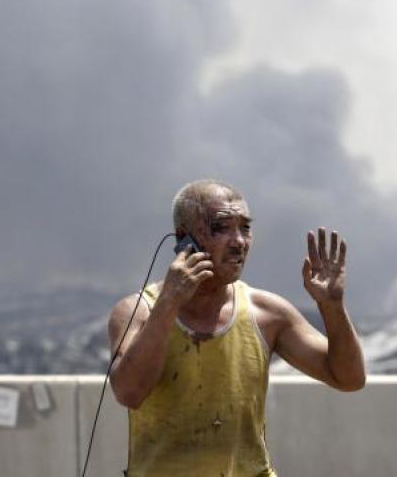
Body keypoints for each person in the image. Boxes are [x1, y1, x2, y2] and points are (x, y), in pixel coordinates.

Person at [108, 180, 365, 476]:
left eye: (245, 227)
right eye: (221, 227)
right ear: (183, 238)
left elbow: (349, 378)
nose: (238, 241)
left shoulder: (267, 313)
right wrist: (169, 304)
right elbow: (129, 392)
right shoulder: (137, 310)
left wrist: (332, 307)